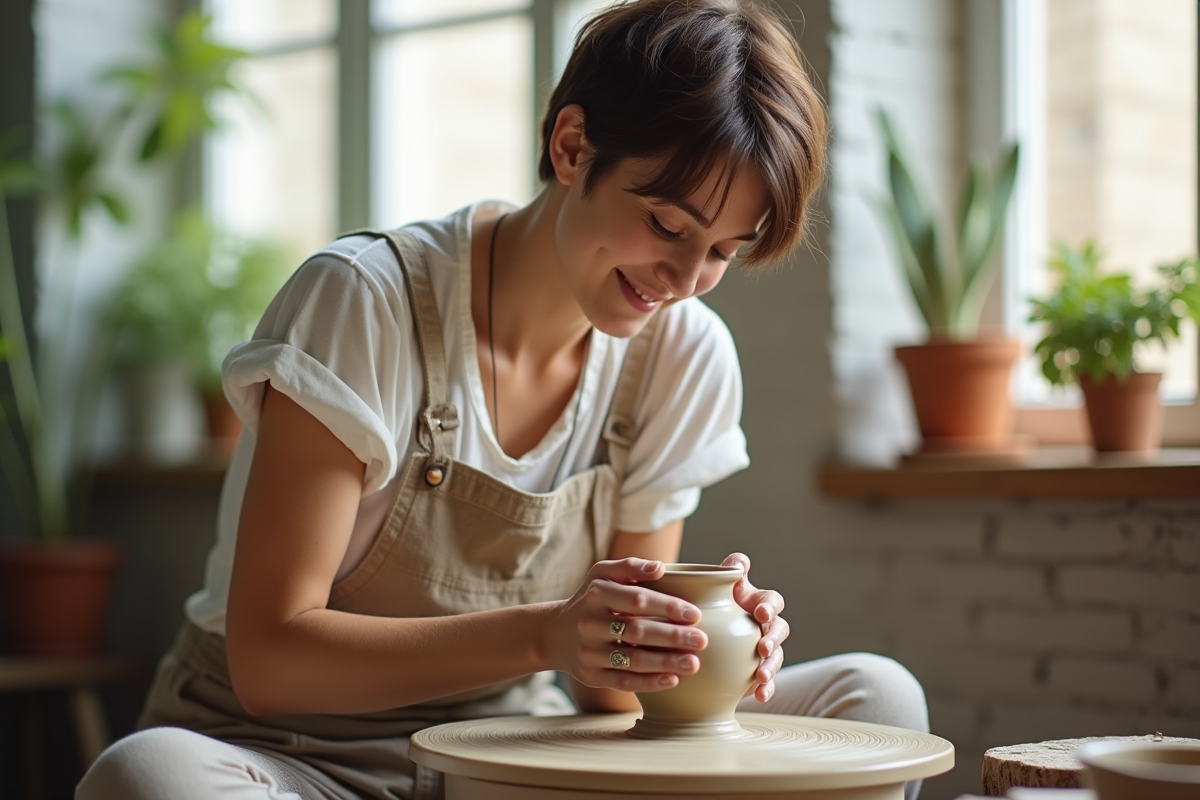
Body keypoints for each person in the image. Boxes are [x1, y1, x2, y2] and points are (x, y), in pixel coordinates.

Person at [78, 1, 928, 798]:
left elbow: (609, 704)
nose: (682, 282)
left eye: (722, 253)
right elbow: (271, 659)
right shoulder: (363, 302)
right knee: (148, 776)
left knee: (875, 698)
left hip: (513, 760)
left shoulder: (684, 353)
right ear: (570, 146)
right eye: (667, 225)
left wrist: (688, 646)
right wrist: (544, 635)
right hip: (286, 758)